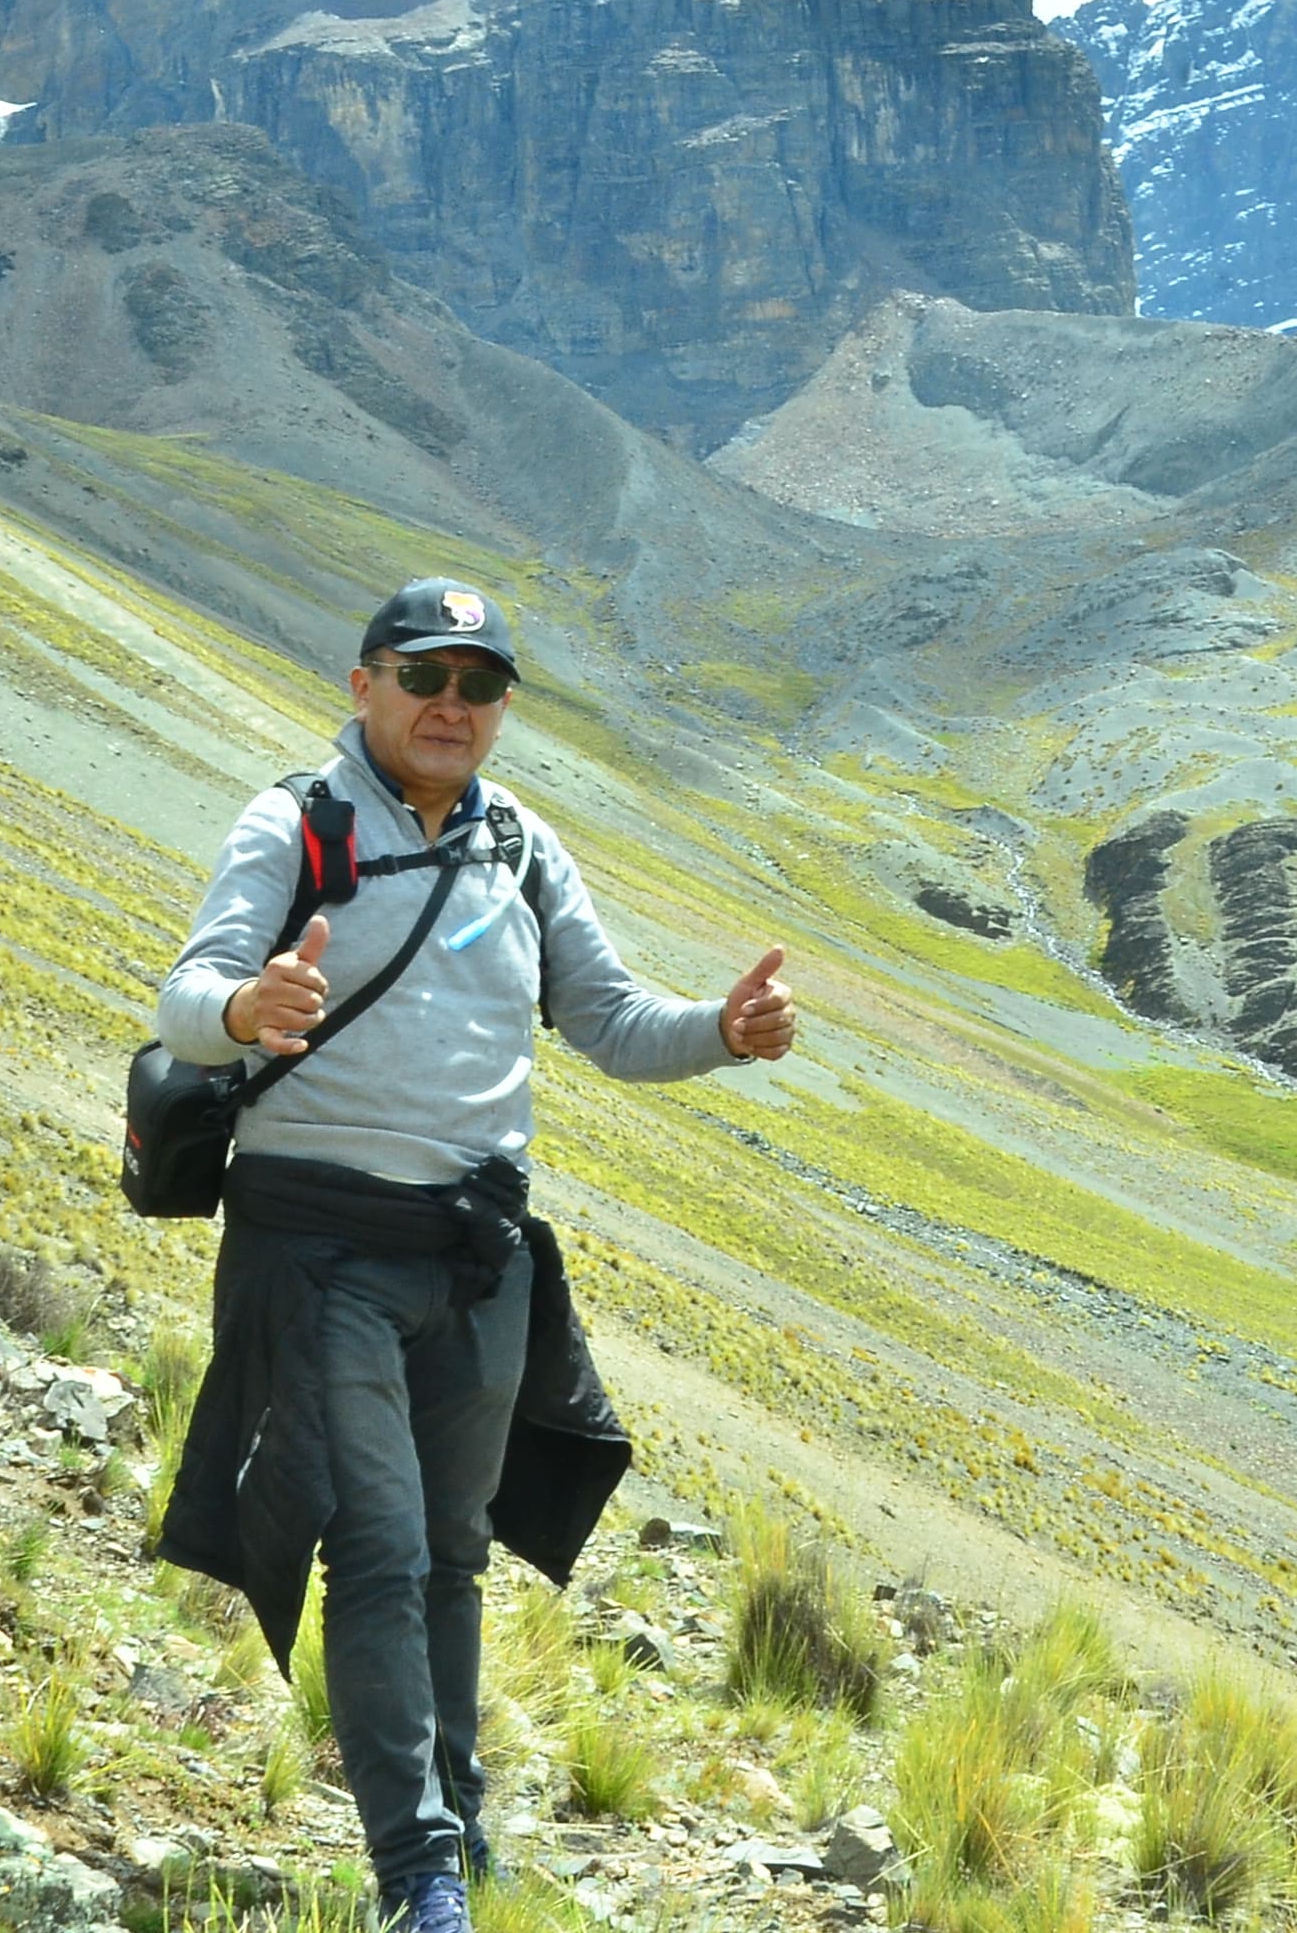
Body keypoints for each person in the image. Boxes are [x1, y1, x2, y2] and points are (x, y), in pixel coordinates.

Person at [149, 576, 797, 1933]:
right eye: (425, 675)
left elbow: (612, 1022)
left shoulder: (521, 847)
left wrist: (722, 1034)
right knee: (376, 1545)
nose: (452, 706)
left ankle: (462, 1828)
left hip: (476, 1257)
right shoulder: (295, 824)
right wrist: (247, 1006)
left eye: (481, 684)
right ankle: (420, 1880)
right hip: (317, 1243)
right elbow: (185, 997)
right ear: (363, 682)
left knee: (451, 1549)